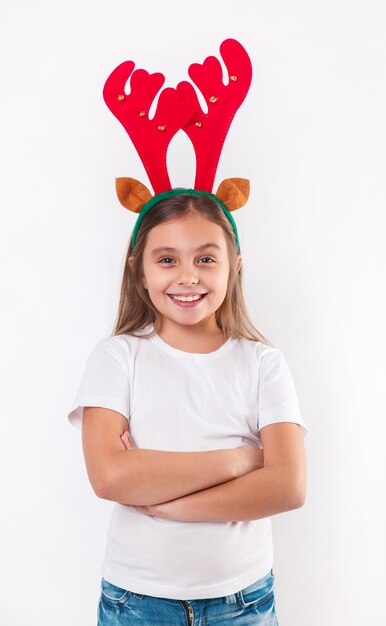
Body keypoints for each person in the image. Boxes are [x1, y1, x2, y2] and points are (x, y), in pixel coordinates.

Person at [67, 38, 309, 626]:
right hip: (136, 601)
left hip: (243, 602)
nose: (187, 277)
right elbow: (112, 475)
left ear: (233, 265)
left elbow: (289, 486)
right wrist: (239, 459)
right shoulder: (117, 358)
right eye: (167, 259)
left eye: (206, 259)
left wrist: (167, 502)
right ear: (140, 270)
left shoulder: (261, 363)